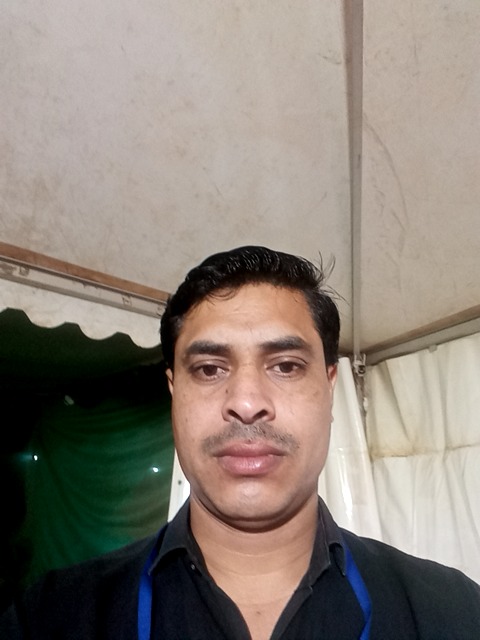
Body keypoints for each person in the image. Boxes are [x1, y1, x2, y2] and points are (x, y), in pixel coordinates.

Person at [1, 245, 479, 639]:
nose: (247, 403)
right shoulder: (50, 619)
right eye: (210, 369)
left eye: (286, 366)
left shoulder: (451, 612)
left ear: (329, 387)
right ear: (174, 392)